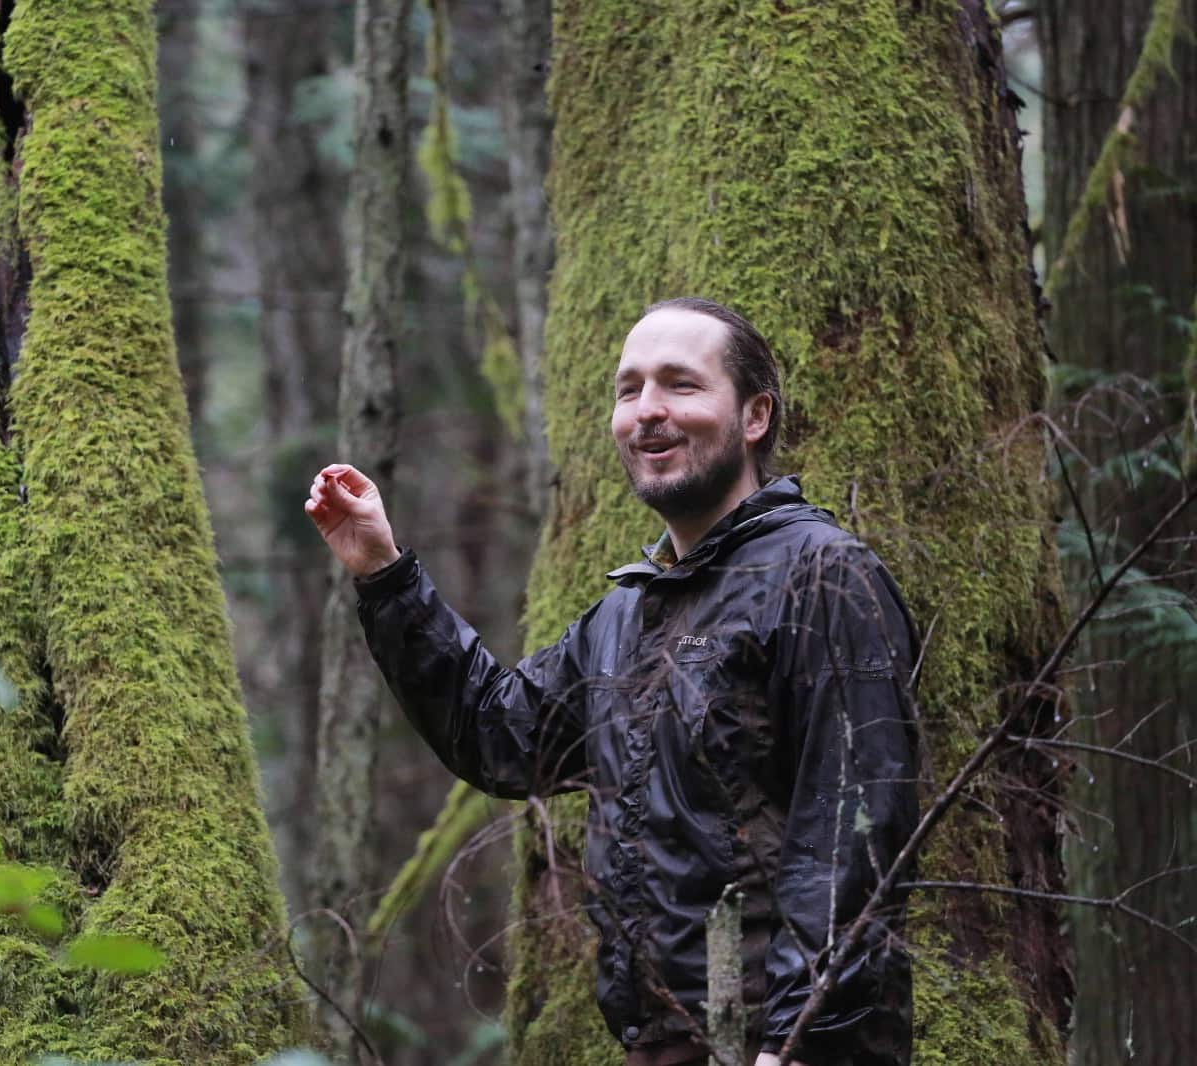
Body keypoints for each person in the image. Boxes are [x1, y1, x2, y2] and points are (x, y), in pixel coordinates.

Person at [304, 297, 917, 1066]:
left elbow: (854, 832)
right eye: (630, 390)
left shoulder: (823, 574)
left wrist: (796, 1043)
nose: (648, 410)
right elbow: (498, 737)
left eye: (680, 384)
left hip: (787, 1045)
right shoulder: (627, 615)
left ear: (755, 416)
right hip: (662, 1041)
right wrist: (386, 575)